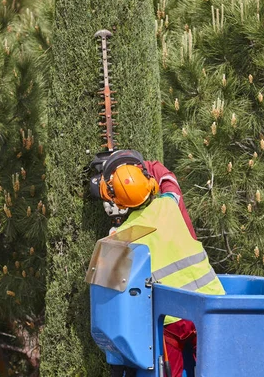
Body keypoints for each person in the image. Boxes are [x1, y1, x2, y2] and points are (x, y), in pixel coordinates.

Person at [94, 149, 225, 377]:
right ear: (149, 183)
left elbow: (110, 296)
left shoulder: (122, 237)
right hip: (210, 307)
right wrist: (142, 165)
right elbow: (168, 179)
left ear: (113, 200)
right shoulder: (169, 205)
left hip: (170, 320)